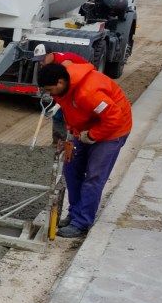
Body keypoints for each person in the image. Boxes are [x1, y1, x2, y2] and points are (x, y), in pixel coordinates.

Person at [37, 61, 132, 238]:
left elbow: (115, 119)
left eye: (49, 89)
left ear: (60, 82)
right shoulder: (63, 89)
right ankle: (74, 214)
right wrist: (72, 135)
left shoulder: (89, 93)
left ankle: (82, 222)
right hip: (85, 128)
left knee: (94, 176)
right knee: (71, 170)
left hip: (112, 131)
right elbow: (71, 112)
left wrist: (93, 136)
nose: (48, 94)